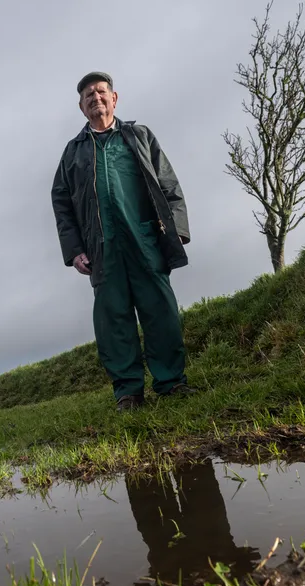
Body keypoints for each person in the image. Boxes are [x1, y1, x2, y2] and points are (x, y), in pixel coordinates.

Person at [50, 71, 198, 411]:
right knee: (113, 320)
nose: (96, 98)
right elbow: (61, 204)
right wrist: (74, 250)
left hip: (145, 238)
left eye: (102, 92)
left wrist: (177, 228)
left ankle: (171, 382)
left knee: (160, 311)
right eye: (88, 95)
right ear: (81, 106)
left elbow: (168, 184)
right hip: (102, 249)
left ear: (114, 99)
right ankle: (128, 392)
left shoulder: (139, 136)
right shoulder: (72, 153)